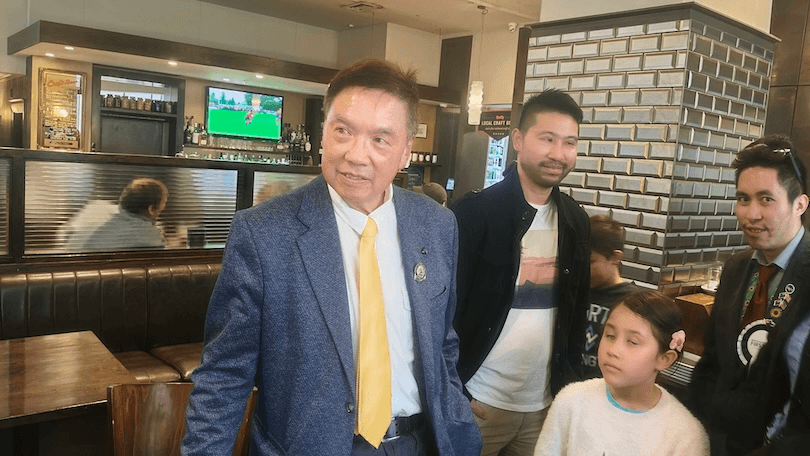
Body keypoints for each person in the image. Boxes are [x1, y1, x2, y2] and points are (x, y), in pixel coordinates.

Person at [182, 59, 481, 455]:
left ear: (407, 151)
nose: (356, 155)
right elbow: (225, 374)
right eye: (343, 131)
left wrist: (459, 425)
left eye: (380, 140)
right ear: (323, 135)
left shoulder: (437, 224)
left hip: (422, 441)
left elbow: (443, 344)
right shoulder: (265, 233)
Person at [451, 89, 590, 455]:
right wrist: (451, 388)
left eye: (569, 143)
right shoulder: (475, 215)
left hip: (544, 404)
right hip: (479, 401)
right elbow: (442, 312)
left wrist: (567, 387)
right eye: (547, 139)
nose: (559, 154)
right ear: (518, 140)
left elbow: (576, 312)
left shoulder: (575, 221)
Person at [689, 134, 810, 456]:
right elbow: (712, 360)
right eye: (743, 199)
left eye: (766, 199)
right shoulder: (736, 267)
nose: (751, 214)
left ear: (800, 203)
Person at [535, 290, 709, 456]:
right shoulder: (571, 401)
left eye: (633, 342)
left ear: (664, 359)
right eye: (610, 335)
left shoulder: (686, 435)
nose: (613, 350)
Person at [572, 214, 640, 379]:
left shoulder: (633, 302)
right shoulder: (574, 292)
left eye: (590, 262)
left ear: (616, 258)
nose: (581, 270)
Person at [81, 177, 168, 251]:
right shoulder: (150, 236)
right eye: (163, 203)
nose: (163, 208)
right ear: (150, 209)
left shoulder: (104, 227)